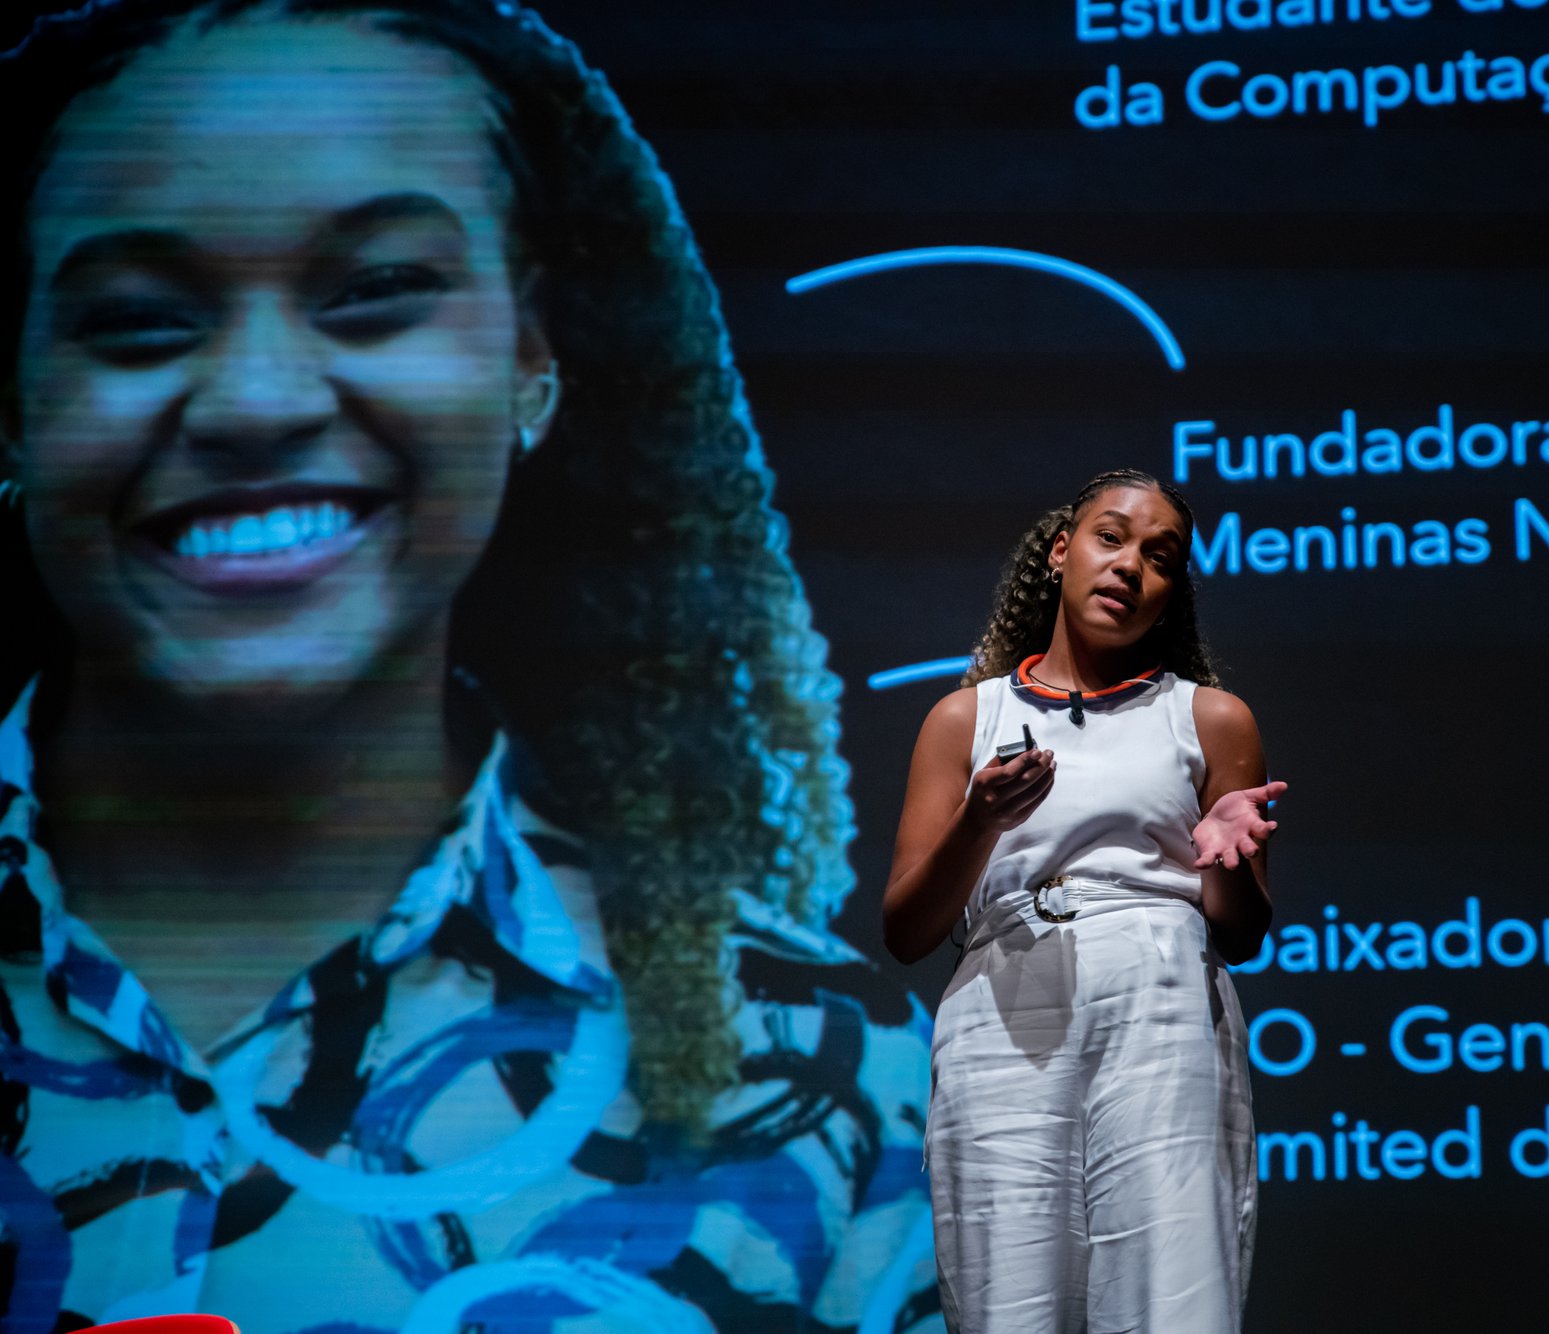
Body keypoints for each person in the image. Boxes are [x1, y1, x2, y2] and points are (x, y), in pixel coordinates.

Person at [0, 2, 935, 1330]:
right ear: (9, 403)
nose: (259, 399)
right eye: (140, 318)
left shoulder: (832, 1081)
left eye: (378, 289)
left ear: (533, 360)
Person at [882, 469, 1282, 1333]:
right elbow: (908, 930)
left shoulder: (1210, 718)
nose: (1130, 565)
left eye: (1160, 556)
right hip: (1005, 1010)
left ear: (1173, 590)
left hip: (1163, 1003)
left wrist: (1220, 857)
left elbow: (1243, 932)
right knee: (1008, 1295)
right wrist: (979, 822)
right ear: (1062, 551)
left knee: (1172, 1283)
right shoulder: (966, 719)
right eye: (1111, 537)